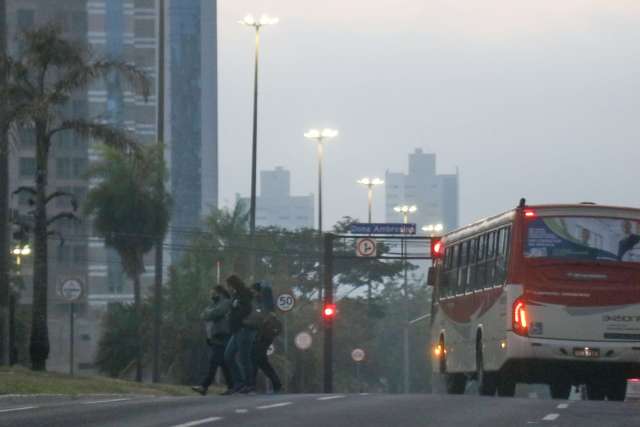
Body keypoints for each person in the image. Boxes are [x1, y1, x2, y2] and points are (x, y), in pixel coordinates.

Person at [192, 285, 233, 396]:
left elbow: (215, 313)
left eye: (213, 292)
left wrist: (209, 313)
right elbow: (204, 314)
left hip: (223, 336)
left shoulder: (226, 302)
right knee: (223, 363)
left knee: (214, 361)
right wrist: (209, 313)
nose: (211, 295)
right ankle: (232, 386)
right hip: (216, 336)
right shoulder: (214, 304)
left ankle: (204, 386)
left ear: (220, 293)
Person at [224, 274, 257, 394]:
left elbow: (246, 309)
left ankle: (250, 385)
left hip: (244, 329)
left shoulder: (244, 294)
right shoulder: (236, 295)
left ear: (233, 285)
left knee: (244, 358)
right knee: (228, 356)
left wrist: (236, 310)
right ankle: (239, 383)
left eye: (229, 285)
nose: (228, 288)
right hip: (236, 330)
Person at [251, 282, 282, 393]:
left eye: (254, 292)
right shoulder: (260, 302)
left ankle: (251, 385)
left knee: (256, 357)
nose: (253, 294)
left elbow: (264, 317)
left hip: (265, 334)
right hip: (263, 334)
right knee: (260, 360)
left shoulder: (265, 303)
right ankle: (276, 383)